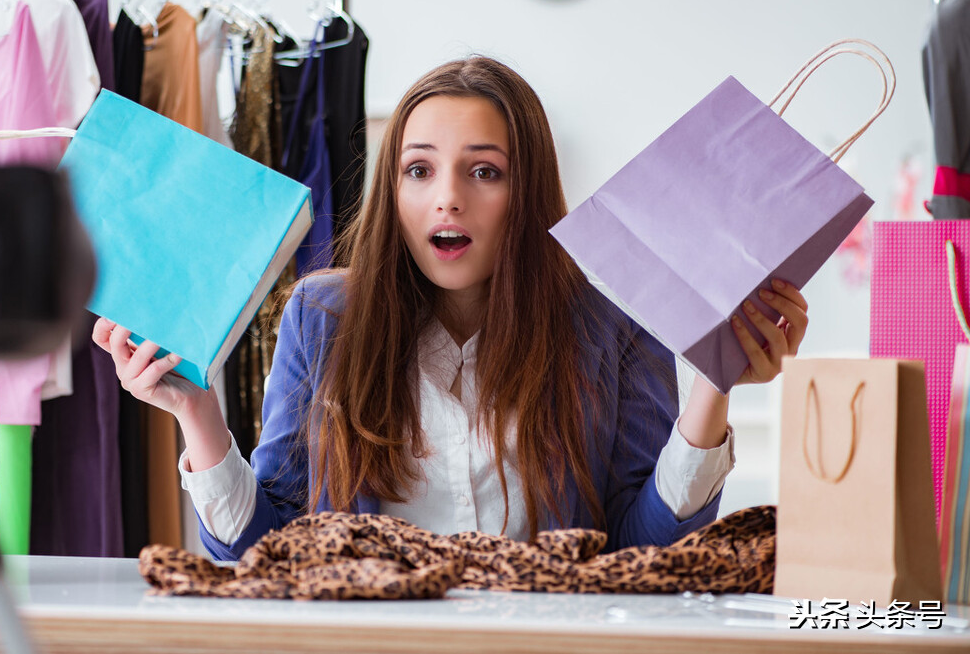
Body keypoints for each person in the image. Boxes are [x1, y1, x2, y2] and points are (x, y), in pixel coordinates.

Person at [93, 56, 809, 561]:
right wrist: (197, 411)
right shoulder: (322, 317)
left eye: (484, 170)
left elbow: (645, 555)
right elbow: (264, 550)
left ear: (526, 190)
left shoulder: (613, 322)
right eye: (419, 168)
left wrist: (715, 384)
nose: (448, 196)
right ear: (394, 189)